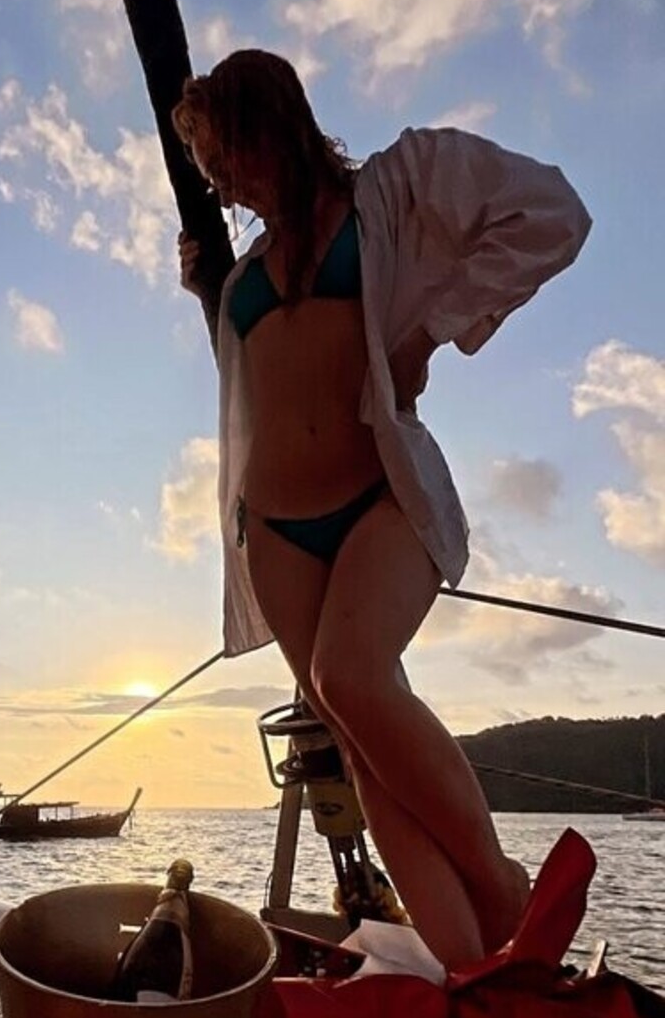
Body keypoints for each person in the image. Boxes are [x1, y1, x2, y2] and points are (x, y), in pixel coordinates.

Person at [172, 49, 591, 969]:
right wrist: (209, 294)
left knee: (351, 678)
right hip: (275, 532)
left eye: (223, 157)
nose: (221, 185)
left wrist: (431, 331)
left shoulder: (396, 189)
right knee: (358, 746)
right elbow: (259, 391)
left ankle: (501, 887)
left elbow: (553, 213)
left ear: (269, 123)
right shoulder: (242, 277)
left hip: (379, 498)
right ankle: (472, 967)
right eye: (208, 172)